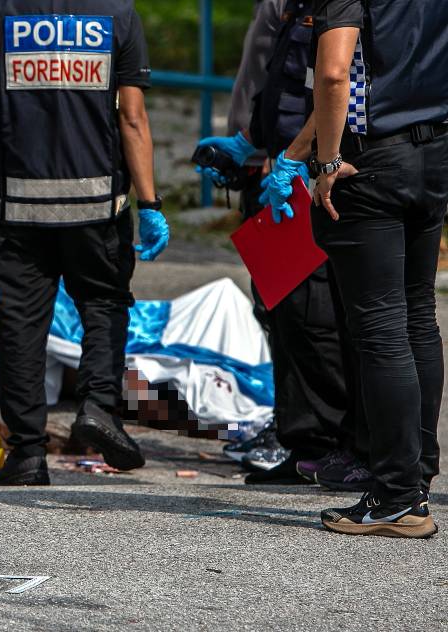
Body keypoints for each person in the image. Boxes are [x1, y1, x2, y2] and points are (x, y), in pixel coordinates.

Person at [0, 2, 169, 486]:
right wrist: (150, 202)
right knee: (103, 305)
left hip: (19, 207)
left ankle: (26, 454)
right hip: (96, 208)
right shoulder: (117, 15)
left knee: (20, 324)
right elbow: (133, 119)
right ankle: (100, 407)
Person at [194, 0, 370, 489]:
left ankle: (330, 442)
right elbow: (281, 86)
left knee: (313, 316)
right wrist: (249, 143)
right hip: (281, 170)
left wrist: (297, 158)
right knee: (285, 314)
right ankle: (305, 441)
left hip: (311, 175)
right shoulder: (295, 7)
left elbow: (331, 89)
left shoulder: (337, 9)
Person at [306, 0, 448, 538]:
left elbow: (334, 71)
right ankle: (414, 478)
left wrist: (324, 159)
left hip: (370, 161)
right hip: (432, 149)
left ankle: (393, 494)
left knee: (383, 329)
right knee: (417, 319)